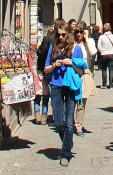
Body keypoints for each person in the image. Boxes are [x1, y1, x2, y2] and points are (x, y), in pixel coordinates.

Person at [44, 28, 86, 166]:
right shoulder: (53, 47)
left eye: (63, 34)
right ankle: (68, 141)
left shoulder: (76, 48)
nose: (61, 37)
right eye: (58, 35)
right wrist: (54, 65)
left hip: (70, 86)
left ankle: (65, 154)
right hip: (56, 85)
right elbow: (46, 69)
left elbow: (81, 70)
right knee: (58, 122)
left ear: (68, 35)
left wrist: (71, 63)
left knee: (69, 122)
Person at [73, 23, 96, 136]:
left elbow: (93, 52)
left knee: (82, 101)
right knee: (71, 100)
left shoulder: (89, 42)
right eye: (77, 32)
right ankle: (69, 122)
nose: (79, 34)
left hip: (85, 74)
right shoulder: (72, 43)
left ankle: (78, 126)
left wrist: (86, 39)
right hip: (73, 73)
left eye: (81, 32)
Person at [33, 26, 53, 123]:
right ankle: (44, 117)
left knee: (37, 95)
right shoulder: (54, 42)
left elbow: (39, 53)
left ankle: (37, 116)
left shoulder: (46, 41)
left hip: (40, 70)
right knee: (45, 96)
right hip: (49, 72)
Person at [97, 23, 113, 89]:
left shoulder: (101, 37)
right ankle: (111, 84)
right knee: (111, 69)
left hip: (104, 54)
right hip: (112, 54)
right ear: (110, 28)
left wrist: (102, 51)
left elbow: (98, 47)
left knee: (104, 69)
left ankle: (104, 84)